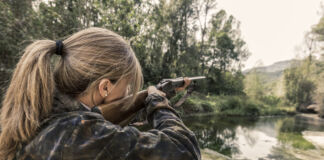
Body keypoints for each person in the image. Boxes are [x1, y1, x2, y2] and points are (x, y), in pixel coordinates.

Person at [0, 27, 201, 160]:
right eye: (129, 87)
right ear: (105, 87)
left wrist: (147, 99)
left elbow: (111, 115)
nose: (129, 94)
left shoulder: (42, 111)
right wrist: (157, 99)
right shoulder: (76, 132)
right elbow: (185, 150)